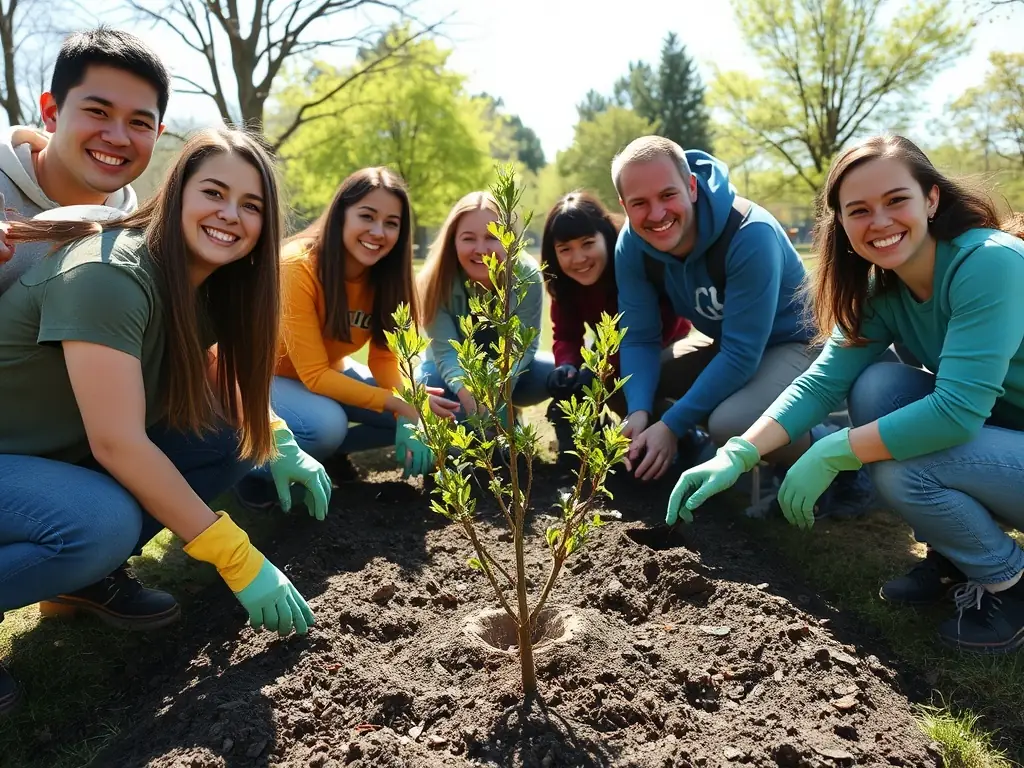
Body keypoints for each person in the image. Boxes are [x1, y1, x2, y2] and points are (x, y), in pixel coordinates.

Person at [0, 128, 331, 715]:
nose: (231, 215)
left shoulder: (200, 282)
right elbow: (119, 443)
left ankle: (78, 582)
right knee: (99, 523)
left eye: (251, 205)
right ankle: (86, 556)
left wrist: (276, 439)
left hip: (47, 457)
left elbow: (209, 368)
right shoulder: (111, 274)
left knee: (227, 435)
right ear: (177, 193)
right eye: (215, 193)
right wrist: (236, 555)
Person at [668, 134, 1024, 654]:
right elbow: (820, 382)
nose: (879, 221)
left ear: (931, 199)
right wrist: (737, 453)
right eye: (859, 210)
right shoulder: (882, 288)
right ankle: (955, 560)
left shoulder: (989, 262)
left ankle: (1010, 587)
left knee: (902, 467)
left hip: (1000, 441)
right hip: (1006, 442)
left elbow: (955, 413)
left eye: (896, 200)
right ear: (842, 223)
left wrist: (835, 449)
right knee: (881, 384)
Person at [612, 135, 873, 518]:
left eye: (667, 195)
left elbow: (740, 354)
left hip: (801, 343)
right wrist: (638, 412)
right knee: (621, 383)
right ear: (624, 205)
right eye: (639, 203)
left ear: (691, 186)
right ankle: (688, 454)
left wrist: (670, 422)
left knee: (732, 423)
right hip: (733, 344)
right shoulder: (631, 244)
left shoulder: (749, 232)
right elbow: (639, 337)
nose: (656, 213)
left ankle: (838, 454)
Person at [235, 167, 455, 508]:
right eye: (366, 216)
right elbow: (314, 374)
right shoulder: (297, 267)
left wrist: (410, 409)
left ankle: (325, 457)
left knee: (426, 409)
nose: (378, 231)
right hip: (261, 377)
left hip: (322, 375)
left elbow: (383, 357)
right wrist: (399, 404)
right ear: (341, 216)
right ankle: (253, 474)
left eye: (391, 223)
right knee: (327, 425)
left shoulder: (389, 277)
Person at [0, 26, 168, 292]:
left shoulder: (144, 241)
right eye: (98, 112)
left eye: (139, 123)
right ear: (52, 112)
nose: (117, 138)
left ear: (157, 135)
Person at [539, 190, 697, 455]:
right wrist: (567, 365)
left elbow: (657, 327)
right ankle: (588, 457)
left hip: (669, 345)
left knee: (622, 387)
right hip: (616, 354)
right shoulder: (566, 284)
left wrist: (604, 366)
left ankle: (687, 436)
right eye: (565, 249)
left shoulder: (632, 262)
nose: (578, 259)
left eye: (588, 243)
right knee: (577, 387)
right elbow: (566, 334)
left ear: (606, 235)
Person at [417, 191, 555, 419]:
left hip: (507, 376)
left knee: (558, 373)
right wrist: (467, 394)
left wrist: (497, 392)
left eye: (492, 237)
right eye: (468, 238)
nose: (481, 249)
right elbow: (445, 353)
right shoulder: (435, 281)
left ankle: (509, 413)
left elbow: (523, 347)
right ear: (453, 241)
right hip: (450, 375)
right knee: (431, 386)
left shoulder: (527, 275)